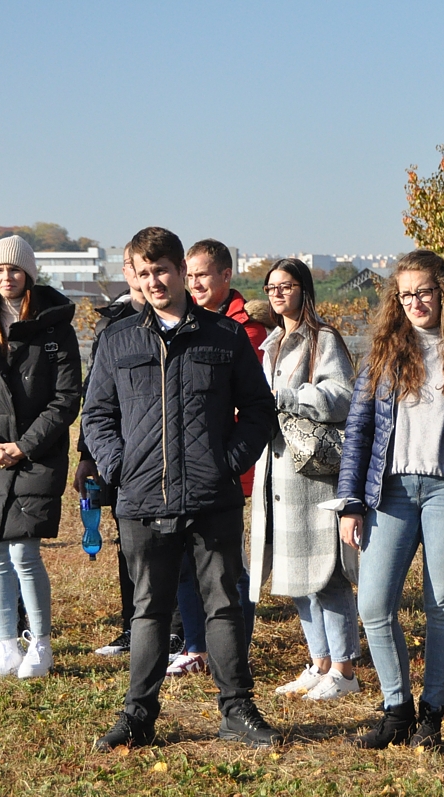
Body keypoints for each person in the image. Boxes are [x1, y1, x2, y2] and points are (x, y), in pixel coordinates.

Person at [83, 226, 280, 750]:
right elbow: (96, 414)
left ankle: (237, 710)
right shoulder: (118, 338)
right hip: (141, 498)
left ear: (179, 272)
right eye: (143, 272)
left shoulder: (225, 336)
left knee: (223, 605)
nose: (153, 281)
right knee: (149, 609)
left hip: (211, 497)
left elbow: (259, 409)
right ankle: (138, 716)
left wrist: (227, 463)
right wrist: (120, 467)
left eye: (162, 271)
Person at [337, 249, 444, 748]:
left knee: (442, 605)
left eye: (424, 292)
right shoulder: (385, 348)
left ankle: (431, 716)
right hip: (389, 492)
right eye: (405, 294)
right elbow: (359, 429)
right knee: (373, 604)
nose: (414, 302)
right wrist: (350, 502)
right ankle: (397, 711)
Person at [0, 235, 81, 679]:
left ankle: (40, 644)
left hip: (35, 455)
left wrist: (23, 446)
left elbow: (66, 397)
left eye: (16, 269)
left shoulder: (55, 326)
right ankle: (5, 646)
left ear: (29, 274)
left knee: (24, 553)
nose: (7, 277)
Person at [249, 257, 360, 700]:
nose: (278, 294)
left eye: (286, 286)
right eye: (271, 287)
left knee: (326, 573)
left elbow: (343, 395)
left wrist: (286, 397)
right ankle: (320, 662)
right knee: (295, 572)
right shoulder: (271, 342)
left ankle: (345, 671)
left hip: (314, 472)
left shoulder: (323, 338)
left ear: (304, 289)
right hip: (276, 470)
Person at [168, 238, 270, 678]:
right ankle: (196, 646)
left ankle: (233, 649)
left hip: (228, 467)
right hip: (184, 465)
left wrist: (231, 459)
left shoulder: (246, 329)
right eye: (189, 275)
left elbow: (253, 403)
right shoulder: (181, 320)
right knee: (185, 561)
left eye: (203, 275)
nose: (195, 283)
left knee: (229, 566)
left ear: (226, 276)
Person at [77, 245, 166, 658]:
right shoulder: (111, 325)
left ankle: (177, 631)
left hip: (170, 457)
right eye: (131, 265)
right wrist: (91, 457)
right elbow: (96, 397)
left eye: (146, 266)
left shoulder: (177, 317)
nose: (139, 273)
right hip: (124, 458)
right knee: (129, 545)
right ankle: (133, 626)